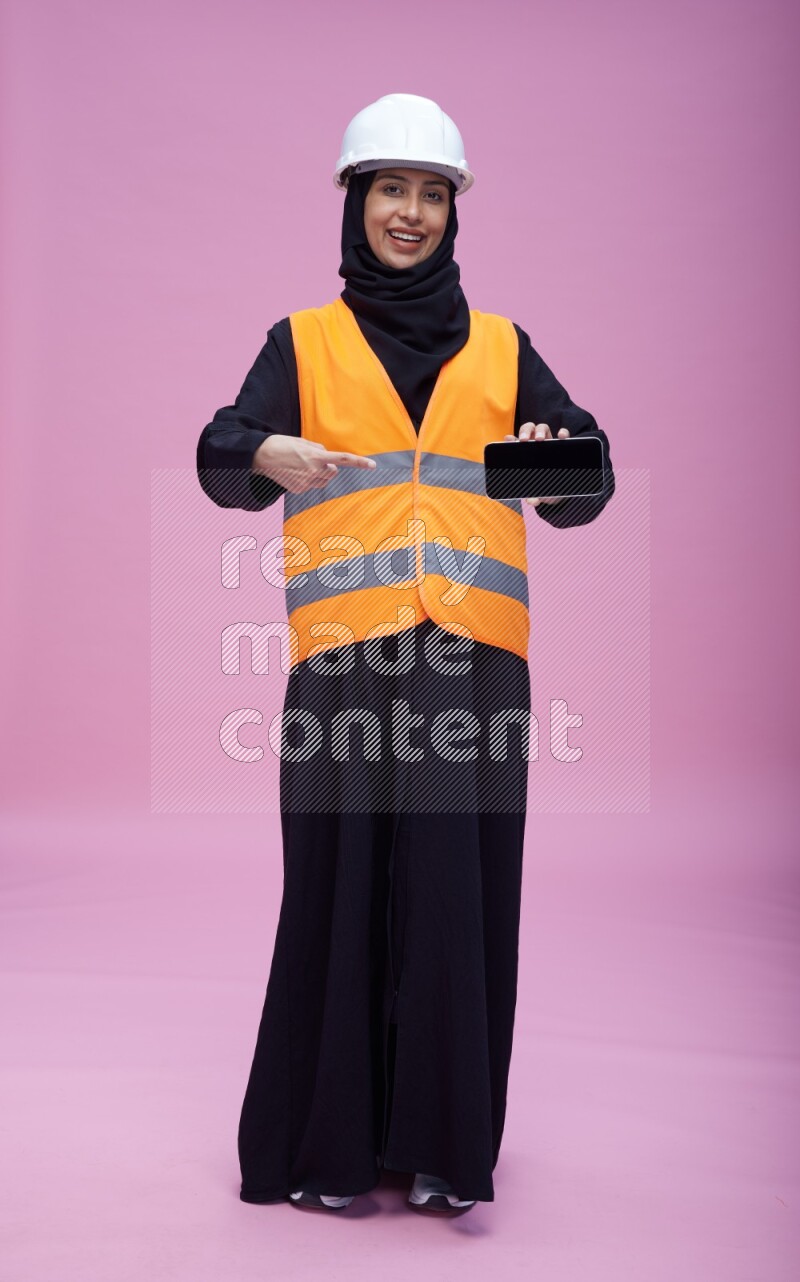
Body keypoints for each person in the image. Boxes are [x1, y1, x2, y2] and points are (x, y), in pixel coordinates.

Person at [196, 93, 615, 1217]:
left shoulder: (502, 346)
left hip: (473, 671)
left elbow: (584, 483)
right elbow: (217, 451)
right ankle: (325, 1150)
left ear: (452, 213)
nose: (410, 213)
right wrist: (262, 453)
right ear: (354, 199)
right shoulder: (303, 343)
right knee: (333, 893)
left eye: (431, 194)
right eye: (390, 188)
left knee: (453, 900)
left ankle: (441, 1150)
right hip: (342, 666)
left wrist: (554, 459)